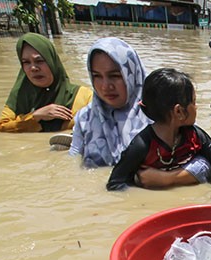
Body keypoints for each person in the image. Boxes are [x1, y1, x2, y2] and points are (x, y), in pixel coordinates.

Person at [107, 68, 211, 204]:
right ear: (179, 111)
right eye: (194, 102)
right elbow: (114, 185)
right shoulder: (142, 145)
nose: (196, 108)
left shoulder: (195, 136)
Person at [61, 37, 151, 168]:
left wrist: (165, 178)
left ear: (132, 74)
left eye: (114, 76)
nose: (105, 86)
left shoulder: (159, 114)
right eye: (97, 76)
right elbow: (73, 163)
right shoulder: (85, 118)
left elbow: (191, 160)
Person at [0, 33, 92, 133]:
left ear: (52, 62)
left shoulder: (84, 96)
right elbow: (1, 128)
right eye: (26, 62)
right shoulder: (19, 96)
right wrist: (35, 116)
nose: (33, 68)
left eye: (39, 61)